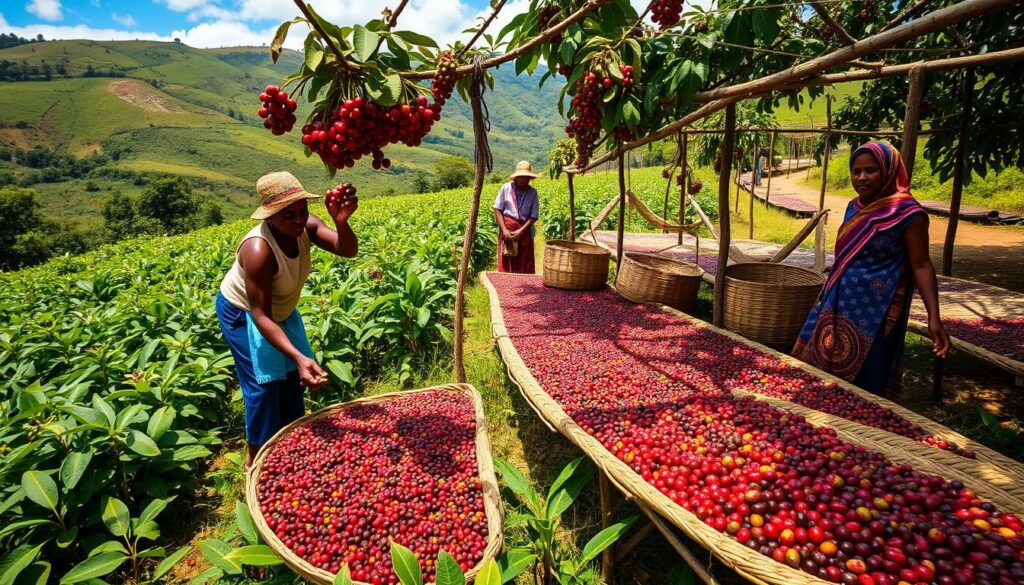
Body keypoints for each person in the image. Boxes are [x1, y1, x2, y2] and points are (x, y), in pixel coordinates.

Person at [217, 171, 358, 468]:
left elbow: (347, 250)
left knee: (294, 380)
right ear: (269, 217)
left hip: (279, 310)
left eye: (301, 211)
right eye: (287, 215)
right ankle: (256, 464)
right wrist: (297, 356)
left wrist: (341, 222)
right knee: (264, 385)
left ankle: (291, 446)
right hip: (244, 313)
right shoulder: (258, 250)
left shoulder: (306, 226)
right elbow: (260, 315)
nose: (297, 220)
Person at [792, 141, 950, 397]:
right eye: (856, 171)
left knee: (867, 371)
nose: (861, 177)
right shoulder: (854, 206)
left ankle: (860, 422)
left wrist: (934, 317)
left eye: (871, 170)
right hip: (840, 298)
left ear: (888, 171)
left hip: (877, 308)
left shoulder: (908, 214)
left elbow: (921, 265)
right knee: (822, 358)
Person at [493, 160, 540, 274]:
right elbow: (497, 209)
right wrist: (504, 230)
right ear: (516, 177)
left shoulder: (533, 193)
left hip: (524, 230)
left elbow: (534, 216)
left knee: (524, 260)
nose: (524, 180)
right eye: (521, 177)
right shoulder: (506, 188)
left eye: (526, 177)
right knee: (507, 258)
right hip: (507, 229)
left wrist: (521, 230)